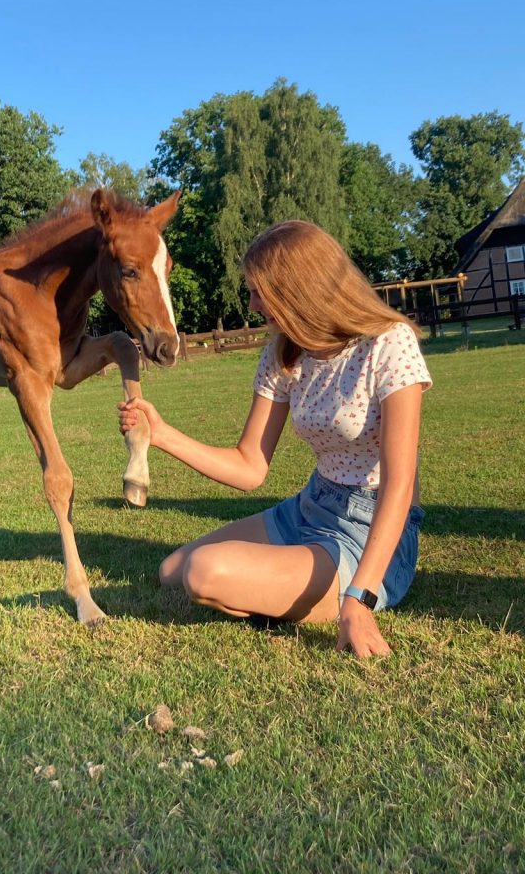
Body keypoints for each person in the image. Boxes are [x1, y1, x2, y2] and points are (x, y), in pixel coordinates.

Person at [118, 220, 432, 658]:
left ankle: (314, 586)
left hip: (370, 529)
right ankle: (282, 584)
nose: (251, 305)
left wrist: (358, 598)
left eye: (257, 291)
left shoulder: (387, 343)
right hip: (311, 505)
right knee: (172, 569)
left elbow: (399, 484)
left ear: (298, 287)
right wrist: (162, 434)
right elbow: (250, 466)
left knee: (205, 573)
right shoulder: (283, 353)